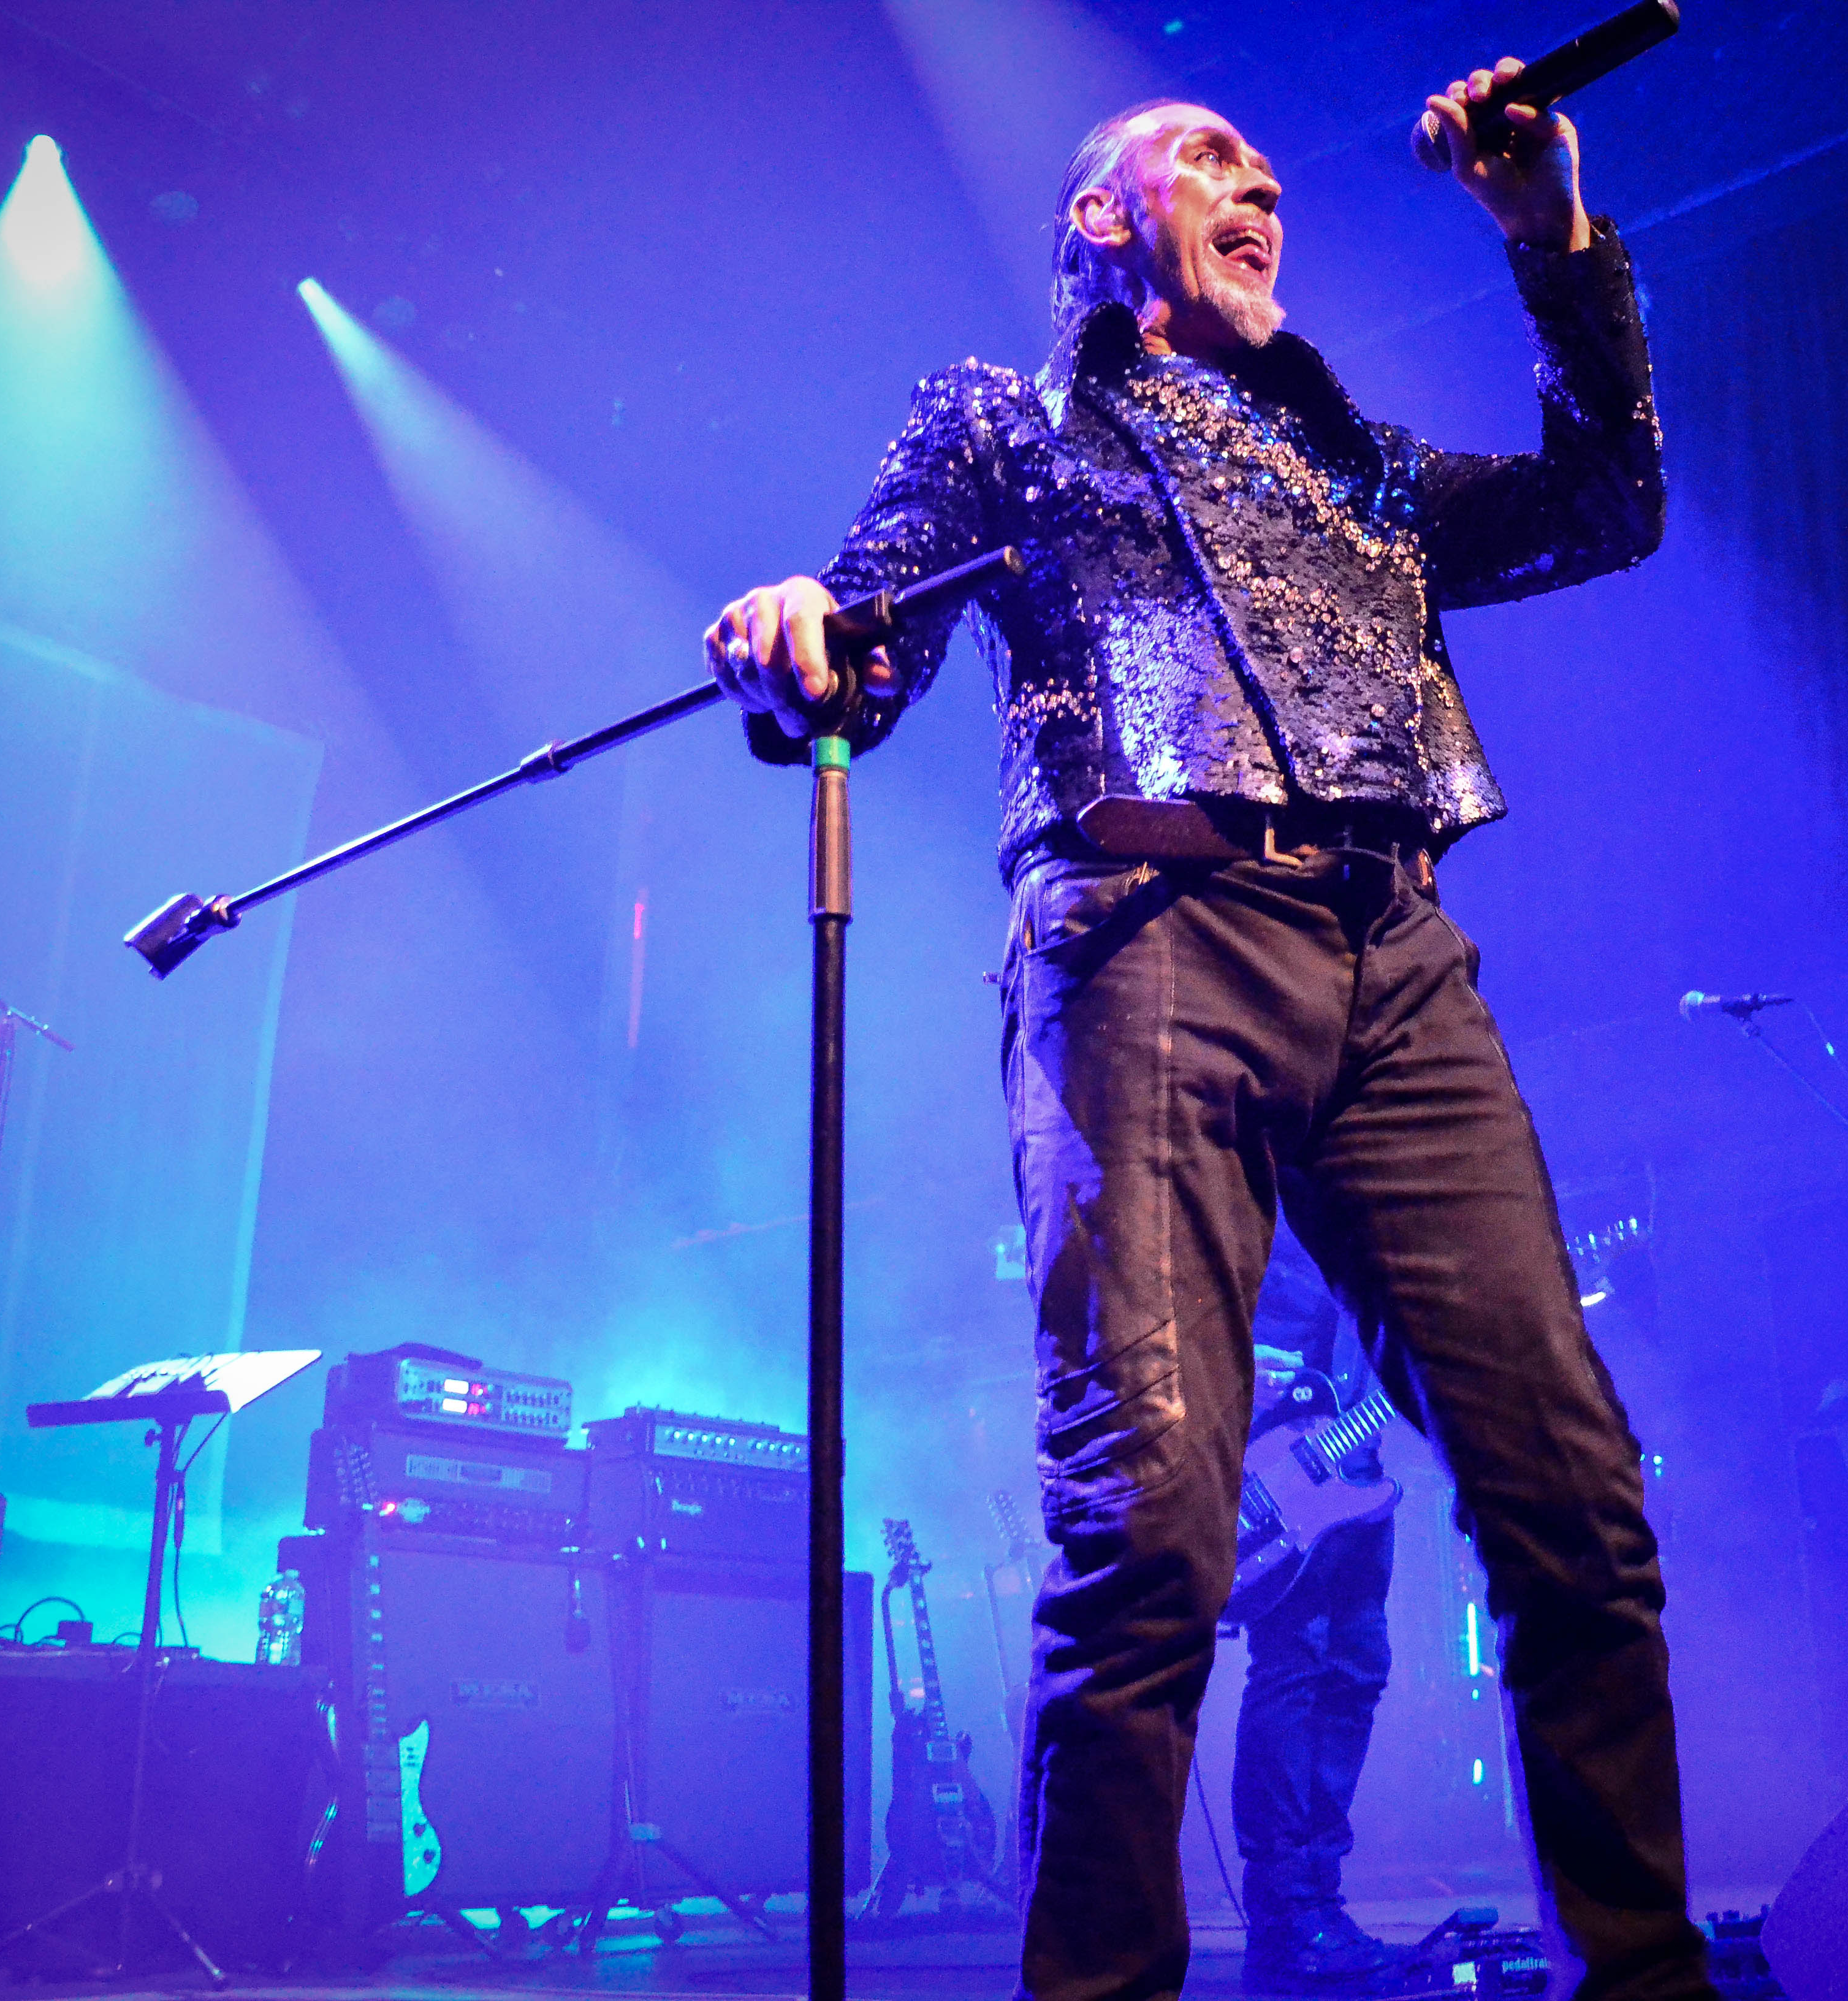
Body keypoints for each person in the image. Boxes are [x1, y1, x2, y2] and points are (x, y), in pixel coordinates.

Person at [707, 62, 1711, 2001]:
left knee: (1574, 1498)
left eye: (1265, 165)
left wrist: (1546, 238)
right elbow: (867, 636)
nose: (1256, 179)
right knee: (1152, 1518)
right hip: (1147, 932)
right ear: (1101, 220)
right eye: (1202, 159)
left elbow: (1611, 501)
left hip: (1397, 956)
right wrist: (797, 632)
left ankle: (1648, 1979)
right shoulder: (1008, 422)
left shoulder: (1363, 469)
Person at [1233, 1232, 1399, 1988]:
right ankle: (1282, 1913)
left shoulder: (1367, 1209)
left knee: (1357, 1673)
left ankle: (1321, 1901)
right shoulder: (1264, 1206)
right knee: (1292, 1668)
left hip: (1358, 1476)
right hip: (1278, 1471)